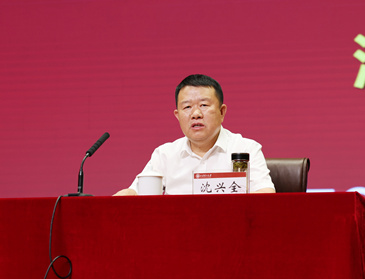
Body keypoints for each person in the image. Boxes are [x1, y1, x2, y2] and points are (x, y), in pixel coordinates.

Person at [114, 74, 275, 195]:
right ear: (177, 115)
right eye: (187, 107)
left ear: (222, 112)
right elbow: (135, 192)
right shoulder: (165, 155)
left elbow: (265, 193)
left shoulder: (246, 149)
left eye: (204, 105)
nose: (196, 114)